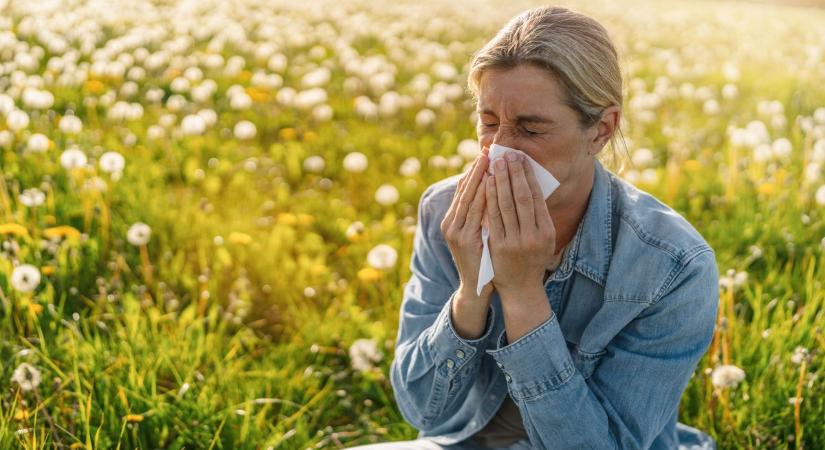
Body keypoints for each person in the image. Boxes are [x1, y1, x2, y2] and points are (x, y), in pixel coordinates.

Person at [348, 5, 718, 450]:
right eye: (488, 122)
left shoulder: (672, 266)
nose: (499, 148)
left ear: (601, 130)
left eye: (530, 128)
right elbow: (423, 411)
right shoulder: (446, 212)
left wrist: (523, 293)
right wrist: (471, 294)